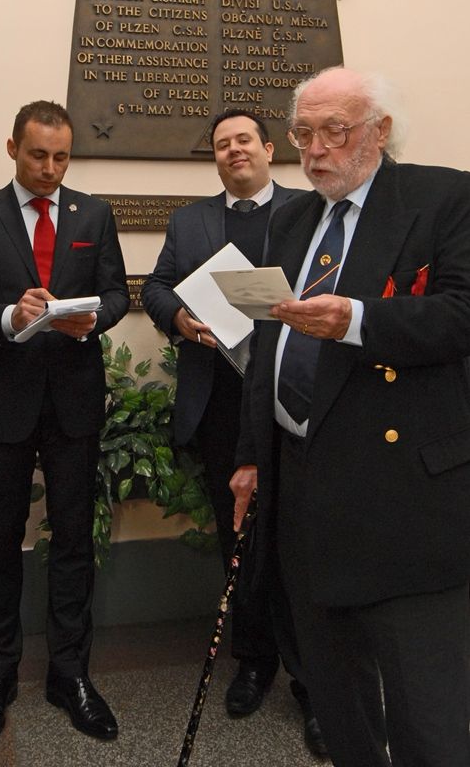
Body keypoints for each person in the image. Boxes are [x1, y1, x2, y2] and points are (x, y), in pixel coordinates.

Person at [230, 67, 470, 767]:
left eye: (332, 130)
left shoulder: (441, 197)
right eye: (302, 133)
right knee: (336, 703)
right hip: (303, 493)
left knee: (427, 717)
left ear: (378, 131)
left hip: (403, 498)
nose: (312, 150)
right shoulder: (292, 216)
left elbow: (460, 314)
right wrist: (250, 456)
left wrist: (358, 320)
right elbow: (266, 347)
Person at [142, 110, 325, 756]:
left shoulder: (310, 210)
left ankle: (313, 682)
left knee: (300, 542)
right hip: (221, 401)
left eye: (242, 139)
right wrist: (183, 321)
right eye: (221, 144)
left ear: (268, 149)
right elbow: (158, 287)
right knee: (238, 535)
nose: (232, 150)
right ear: (214, 159)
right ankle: (253, 660)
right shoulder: (190, 221)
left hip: (293, 396)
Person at [0, 99, 129, 748]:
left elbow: (116, 292)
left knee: (74, 541)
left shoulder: (95, 213)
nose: (50, 167)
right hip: (5, 400)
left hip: (74, 401)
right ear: (12, 149)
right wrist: (7, 315)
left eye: (60, 156)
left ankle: (68, 673)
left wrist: (96, 318)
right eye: (37, 155)